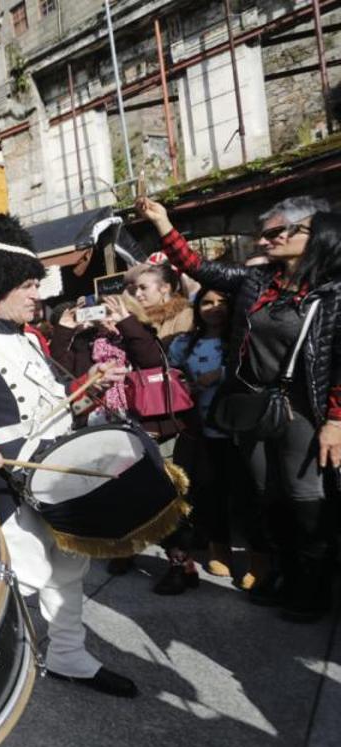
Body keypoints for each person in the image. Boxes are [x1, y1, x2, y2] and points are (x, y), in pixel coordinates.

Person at [0, 212, 137, 698]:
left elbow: (53, 402)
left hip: (55, 472)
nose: (39, 294)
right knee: (21, 573)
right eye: (30, 286)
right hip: (8, 482)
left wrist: (91, 389)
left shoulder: (32, 340)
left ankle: (68, 654)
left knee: (68, 567)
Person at [137, 197, 341, 622]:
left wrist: (336, 420)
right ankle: (282, 576)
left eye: (277, 232)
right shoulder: (257, 280)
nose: (268, 239)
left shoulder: (332, 289)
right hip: (253, 406)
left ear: (314, 231)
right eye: (264, 234)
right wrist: (162, 222)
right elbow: (199, 266)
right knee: (268, 498)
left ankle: (315, 589)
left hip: (306, 412)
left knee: (307, 502)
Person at [165, 289, 245, 591]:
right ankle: (218, 549)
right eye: (208, 302)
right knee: (210, 493)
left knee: (246, 493)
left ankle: (259, 558)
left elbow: (257, 368)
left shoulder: (242, 339)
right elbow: (170, 373)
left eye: (222, 302)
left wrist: (221, 374)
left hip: (239, 429)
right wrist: (184, 384)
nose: (215, 309)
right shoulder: (185, 343)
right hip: (200, 430)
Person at [124, 260, 194, 346]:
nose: (137, 294)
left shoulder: (185, 315)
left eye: (143, 288)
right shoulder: (137, 318)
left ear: (164, 288)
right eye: (136, 289)